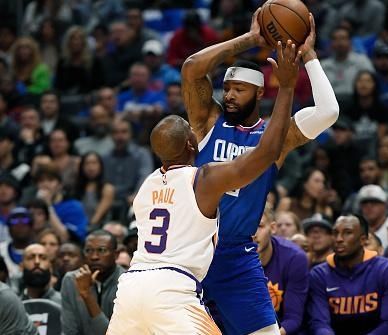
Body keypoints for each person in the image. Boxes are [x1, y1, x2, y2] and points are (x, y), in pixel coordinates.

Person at [107, 35, 302, 335]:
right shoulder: (203, 179)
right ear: (190, 143)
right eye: (190, 129)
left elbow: (191, 68)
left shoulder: (145, 189)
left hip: (131, 288)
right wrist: (286, 85)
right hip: (172, 292)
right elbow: (265, 152)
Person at [181, 9, 339, 334]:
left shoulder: (273, 138)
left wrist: (306, 53)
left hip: (237, 254)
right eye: (227, 88)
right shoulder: (207, 122)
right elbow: (192, 68)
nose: (229, 95)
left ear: (259, 92)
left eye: (239, 89)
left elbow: (328, 111)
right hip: (192, 249)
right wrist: (250, 39)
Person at [308, 215, 388, 335]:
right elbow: (319, 322)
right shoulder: (319, 274)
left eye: (347, 233)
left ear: (363, 239)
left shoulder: (384, 269)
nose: (339, 239)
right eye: (335, 233)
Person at [253, 208, 308, 335]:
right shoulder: (228, 258)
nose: (253, 234)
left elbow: (293, 319)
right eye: (246, 227)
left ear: (272, 228)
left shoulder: (294, 258)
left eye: (259, 226)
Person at [61, 230, 124, 335]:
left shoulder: (127, 282)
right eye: (88, 250)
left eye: (102, 250)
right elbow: (69, 331)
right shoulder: (71, 280)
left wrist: (87, 295)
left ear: (116, 254)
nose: (94, 256)